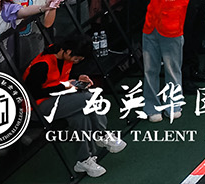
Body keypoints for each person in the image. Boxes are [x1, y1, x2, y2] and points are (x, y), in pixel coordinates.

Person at [21, 36, 126, 178]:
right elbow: (33, 93)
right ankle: (101, 134)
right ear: (68, 51)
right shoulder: (42, 65)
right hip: (36, 108)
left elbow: (62, 78)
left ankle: (84, 160)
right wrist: (64, 86)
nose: (76, 62)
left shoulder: (64, 55)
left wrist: (78, 79)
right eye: (76, 59)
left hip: (58, 100)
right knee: (90, 97)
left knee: (80, 116)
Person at [129, 0, 190, 122]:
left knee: (172, 70)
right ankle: (151, 106)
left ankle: (174, 104)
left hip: (172, 32)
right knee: (150, 70)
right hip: (150, 29)